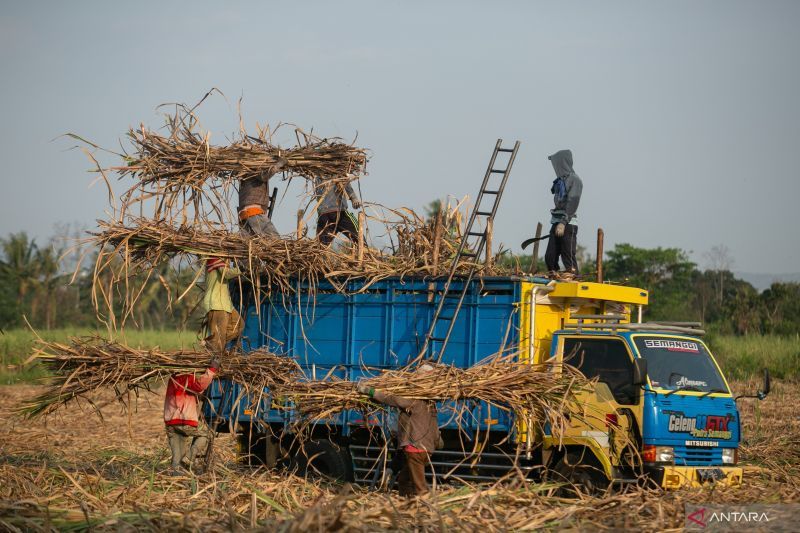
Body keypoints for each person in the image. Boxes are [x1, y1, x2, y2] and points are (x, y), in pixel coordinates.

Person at [356, 365, 441, 497]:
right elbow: (435, 428)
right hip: (426, 449)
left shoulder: (415, 399)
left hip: (416, 449)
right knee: (403, 479)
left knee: (420, 487)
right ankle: (407, 506)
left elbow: (392, 399)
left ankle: (427, 510)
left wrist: (371, 392)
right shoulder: (431, 403)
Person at [164, 357, 220, 475]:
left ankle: (176, 479)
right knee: (206, 433)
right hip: (184, 420)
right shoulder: (185, 376)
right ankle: (189, 458)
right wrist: (211, 370)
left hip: (170, 423)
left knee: (177, 456)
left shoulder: (173, 378)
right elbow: (199, 386)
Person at [544, 149, 583, 274]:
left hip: (568, 223)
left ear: (562, 163)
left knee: (568, 256)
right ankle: (554, 275)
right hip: (556, 220)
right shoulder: (560, 181)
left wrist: (563, 222)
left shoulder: (575, 180)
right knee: (550, 256)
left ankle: (573, 276)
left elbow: (573, 202)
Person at [202, 257, 244, 354]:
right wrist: (241, 269)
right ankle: (212, 368)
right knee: (218, 340)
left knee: (239, 325)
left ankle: (210, 342)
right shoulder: (214, 259)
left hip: (226, 304)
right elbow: (227, 274)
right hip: (217, 304)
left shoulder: (224, 262)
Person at [238, 159, 287, 238]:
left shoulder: (245, 174)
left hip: (244, 214)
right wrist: (278, 165)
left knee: (248, 244)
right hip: (253, 212)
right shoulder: (253, 168)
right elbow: (264, 176)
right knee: (275, 239)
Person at [313, 174, 362, 246]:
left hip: (325, 214)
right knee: (359, 238)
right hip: (339, 212)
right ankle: (364, 252)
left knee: (321, 245)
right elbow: (347, 185)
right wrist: (354, 199)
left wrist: (354, 199)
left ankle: (364, 253)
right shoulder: (338, 173)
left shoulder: (317, 177)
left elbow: (347, 185)